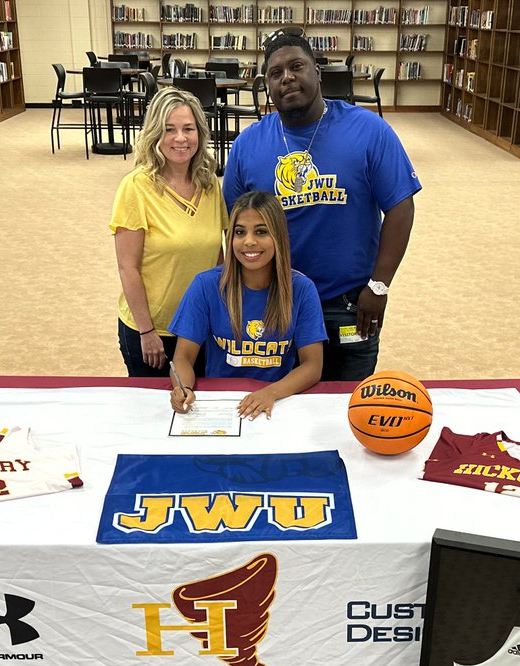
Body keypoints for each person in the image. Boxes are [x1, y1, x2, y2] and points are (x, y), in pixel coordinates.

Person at [223, 32, 420, 382]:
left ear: (317, 71)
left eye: (296, 66)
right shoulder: (248, 144)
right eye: (275, 72)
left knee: (345, 405)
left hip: (351, 303)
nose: (287, 77)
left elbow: (401, 206)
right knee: (279, 405)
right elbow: (234, 225)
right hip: (275, 299)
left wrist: (379, 285)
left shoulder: (369, 130)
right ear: (266, 84)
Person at [168, 191, 326, 419]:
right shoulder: (205, 285)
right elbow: (183, 357)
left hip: (278, 402)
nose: (249, 241)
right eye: (240, 232)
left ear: (278, 237)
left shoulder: (302, 289)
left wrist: (270, 393)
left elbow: (312, 366)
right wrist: (183, 389)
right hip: (220, 404)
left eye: (261, 232)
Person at [110, 87, 227, 377]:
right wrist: (147, 332)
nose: (180, 138)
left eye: (188, 129)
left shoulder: (210, 184)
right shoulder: (136, 187)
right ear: (154, 135)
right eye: (169, 129)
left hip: (200, 326)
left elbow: (218, 257)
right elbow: (128, 268)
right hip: (152, 331)